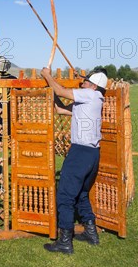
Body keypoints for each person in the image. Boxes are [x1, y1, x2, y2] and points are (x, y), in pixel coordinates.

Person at [40, 67, 108, 254]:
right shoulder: (92, 101)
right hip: (92, 154)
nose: (82, 83)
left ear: (93, 86)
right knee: (81, 194)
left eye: (85, 82)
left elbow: (61, 91)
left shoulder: (89, 95)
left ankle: (65, 242)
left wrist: (47, 76)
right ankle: (91, 233)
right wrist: (50, 87)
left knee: (65, 196)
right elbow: (60, 109)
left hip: (80, 153)